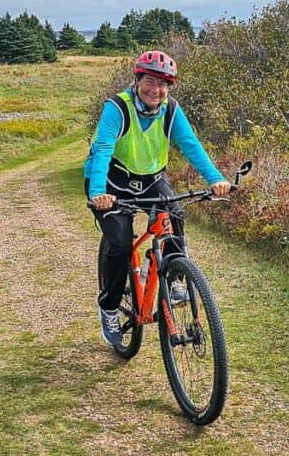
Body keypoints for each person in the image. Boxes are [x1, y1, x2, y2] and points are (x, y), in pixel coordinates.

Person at [84, 49, 231, 346]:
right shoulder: (118, 107)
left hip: (152, 179)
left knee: (174, 216)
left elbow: (191, 146)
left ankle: (174, 277)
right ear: (137, 80)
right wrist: (99, 192)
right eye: (150, 81)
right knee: (121, 244)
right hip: (113, 181)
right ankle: (109, 307)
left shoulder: (171, 110)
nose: (157, 90)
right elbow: (102, 150)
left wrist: (216, 179)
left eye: (164, 84)